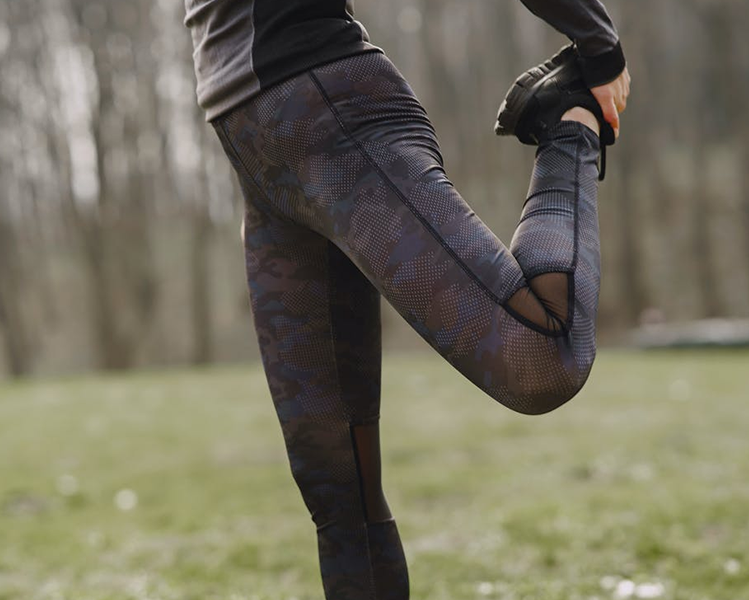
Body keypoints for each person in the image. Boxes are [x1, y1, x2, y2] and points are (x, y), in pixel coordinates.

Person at [184, 1, 631, 598]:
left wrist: (599, 48)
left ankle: (568, 120)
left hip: (334, 115)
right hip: (260, 156)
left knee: (544, 360)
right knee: (337, 492)